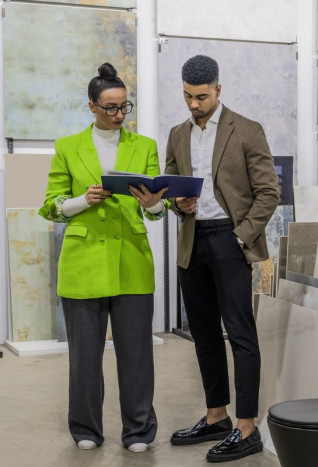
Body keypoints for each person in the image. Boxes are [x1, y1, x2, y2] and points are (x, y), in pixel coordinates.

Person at [39, 63, 168, 453]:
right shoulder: (67, 147)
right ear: (92, 106)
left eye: (123, 107)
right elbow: (50, 206)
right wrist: (83, 200)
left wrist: (155, 205)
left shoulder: (144, 146)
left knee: (137, 356)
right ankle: (85, 428)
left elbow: (156, 210)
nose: (117, 115)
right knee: (84, 358)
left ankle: (139, 431)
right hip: (83, 264)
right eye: (109, 107)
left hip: (131, 259)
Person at [165, 55, 279, 463]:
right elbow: (171, 185)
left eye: (201, 96)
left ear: (218, 89)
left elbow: (269, 193)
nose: (194, 105)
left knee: (241, 336)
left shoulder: (247, 130)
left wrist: (239, 238)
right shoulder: (178, 134)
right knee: (204, 335)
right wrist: (178, 203)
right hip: (192, 241)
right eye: (187, 96)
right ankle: (217, 416)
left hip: (230, 243)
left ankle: (246, 426)